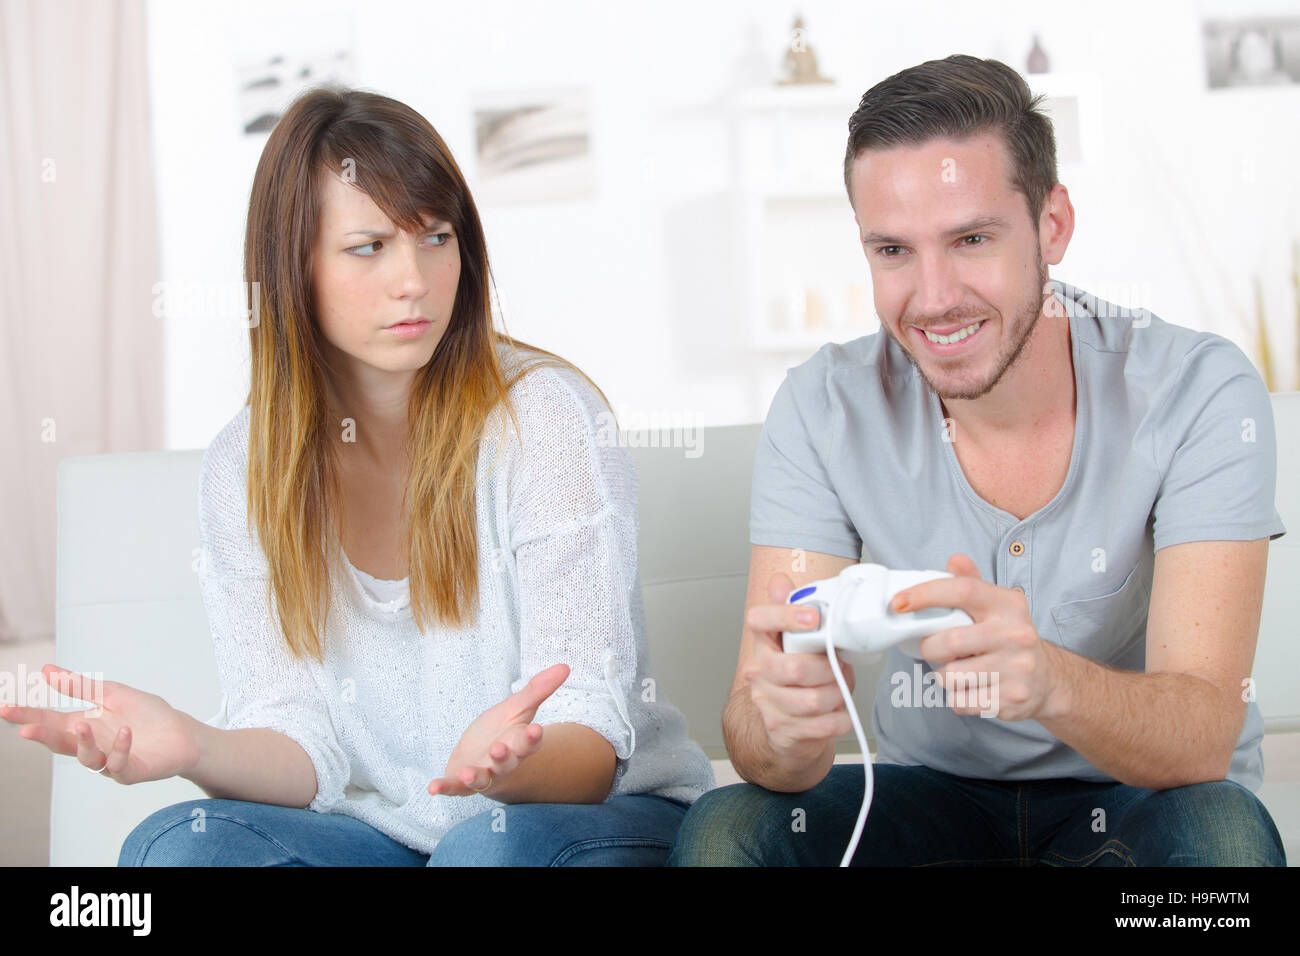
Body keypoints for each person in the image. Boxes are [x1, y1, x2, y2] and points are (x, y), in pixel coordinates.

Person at [3, 85, 713, 866]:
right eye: (369, 246)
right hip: (385, 835)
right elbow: (301, 742)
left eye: (436, 237)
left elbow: (591, 728)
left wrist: (511, 769)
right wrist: (195, 746)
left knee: (483, 850)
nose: (414, 279)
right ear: (291, 268)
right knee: (177, 848)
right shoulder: (245, 466)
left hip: (587, 818)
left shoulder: (542, 420)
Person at [667, 54, 1287, 866]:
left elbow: (1206, 730)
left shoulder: (1198, 389)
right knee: (727, 831)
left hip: (1144, 800)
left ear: (1052, 225)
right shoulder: (825, 406)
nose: (933, 297)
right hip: (930, 799)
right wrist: (782, 728)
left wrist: (1052, 681)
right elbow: (757, 725)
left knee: (1226, 841)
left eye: (971, 239)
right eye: (893, 251)